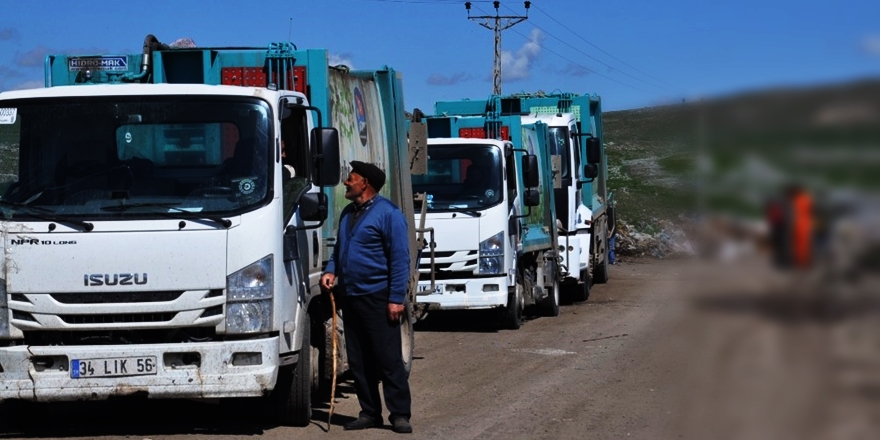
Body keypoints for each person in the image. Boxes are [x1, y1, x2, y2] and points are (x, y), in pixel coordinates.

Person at [320, 161, 413, 434]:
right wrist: (330, 270)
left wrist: (396, 298)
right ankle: (370, 412)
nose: (346, 182)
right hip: (350, 295)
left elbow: (399, 259)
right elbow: (340, 249)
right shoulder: (348, 213)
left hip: (378, 296)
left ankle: (399, 414)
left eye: (351, 178)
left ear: (366, 183)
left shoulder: (389, 214)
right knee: (359, 360)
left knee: (388, 358)